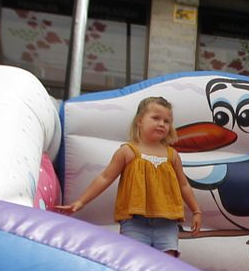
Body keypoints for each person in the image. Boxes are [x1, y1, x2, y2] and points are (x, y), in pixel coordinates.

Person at [57, 96, 201, 256]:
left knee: (166, 265)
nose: (162, 124)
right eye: (155, 118)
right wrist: (81, 202)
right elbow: (105, 178)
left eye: (167, 121)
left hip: (167, 222)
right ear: (139, 121)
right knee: (135, 262)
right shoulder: (127, 151)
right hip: (135, 221)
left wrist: (196, 211)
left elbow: (184, 185)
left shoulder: (172, 155)